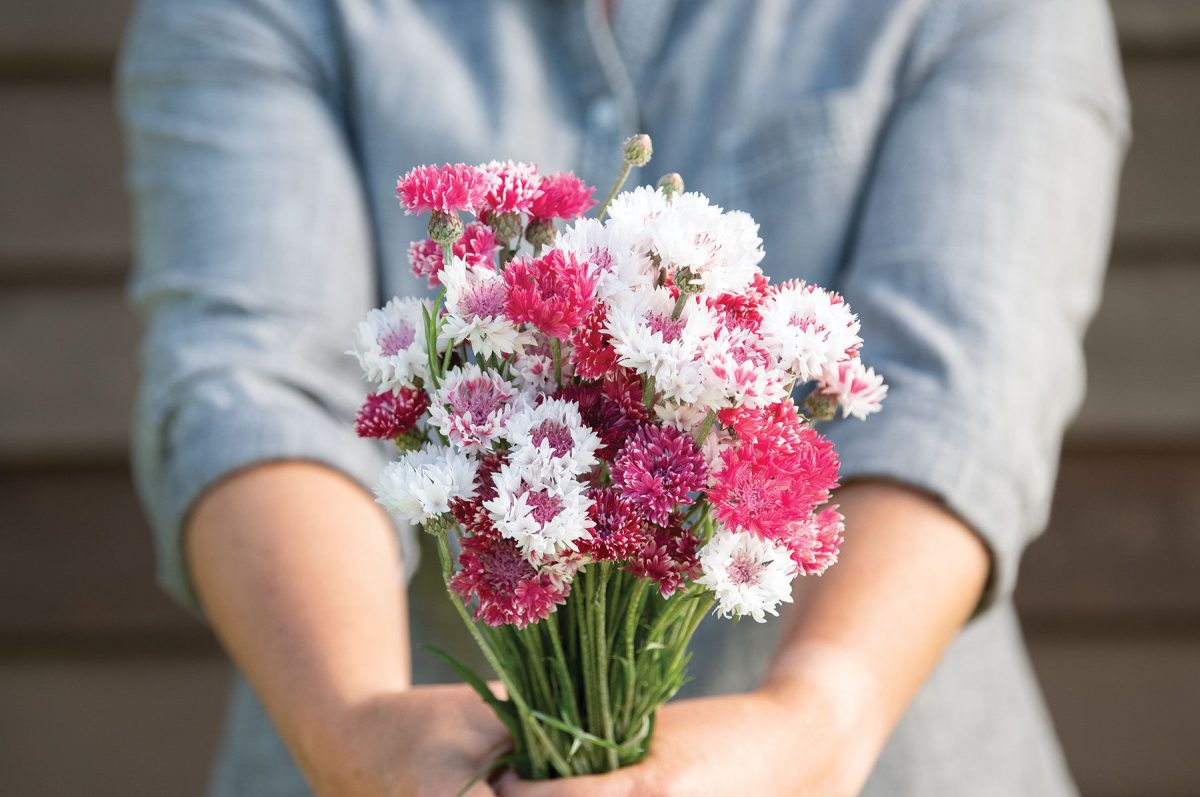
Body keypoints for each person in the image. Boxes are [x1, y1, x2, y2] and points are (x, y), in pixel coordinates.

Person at [118, 1, 1128, 794]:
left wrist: (816, 727)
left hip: (888, 754)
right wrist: (351, 723)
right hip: (381, 756)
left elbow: (961, 386)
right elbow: (253, 378)